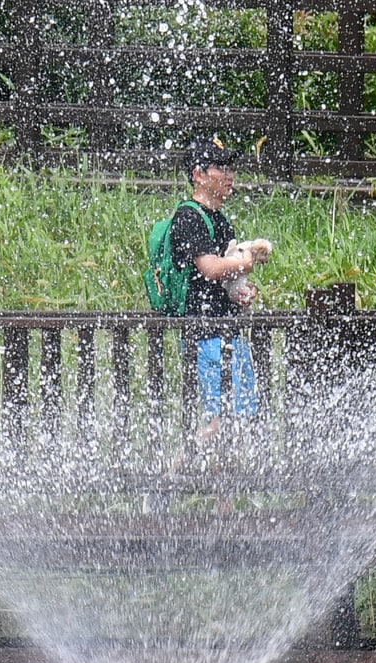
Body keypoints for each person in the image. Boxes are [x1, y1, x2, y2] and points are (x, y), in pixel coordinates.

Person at [170, 136, 269, 445]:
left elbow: (223, 280)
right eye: (221, 168)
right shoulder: (188, 217)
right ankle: (178, 468)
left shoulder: (221, 221)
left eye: (231, 168)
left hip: (228, 331)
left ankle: (210, 475)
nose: (229, 175)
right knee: (219, 420)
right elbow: (210, 268)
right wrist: (246, 263)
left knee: (237, 418)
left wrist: (241, 291)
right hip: (203, 334)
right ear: (198, 175)